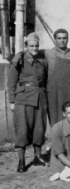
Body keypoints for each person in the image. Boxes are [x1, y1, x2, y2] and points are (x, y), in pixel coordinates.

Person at [8, 33, 48, 172]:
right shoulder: (19, 59)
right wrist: (12, 101)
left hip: (40, 97)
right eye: (31, 45)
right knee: (22, 129)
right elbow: (12, 81)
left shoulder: (42, 60)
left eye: (36, 45)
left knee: (39, 127)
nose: (34, 48)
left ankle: (37, 157)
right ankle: (21, 160)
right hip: (23, 97)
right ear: (26, 46)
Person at [46, 28, 70, 126]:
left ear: (68, 39)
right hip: (55, 91)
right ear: (55, 39)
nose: (62, 40)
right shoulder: (48, 53)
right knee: (55, 116)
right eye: (59, 38)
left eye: (64, 38)